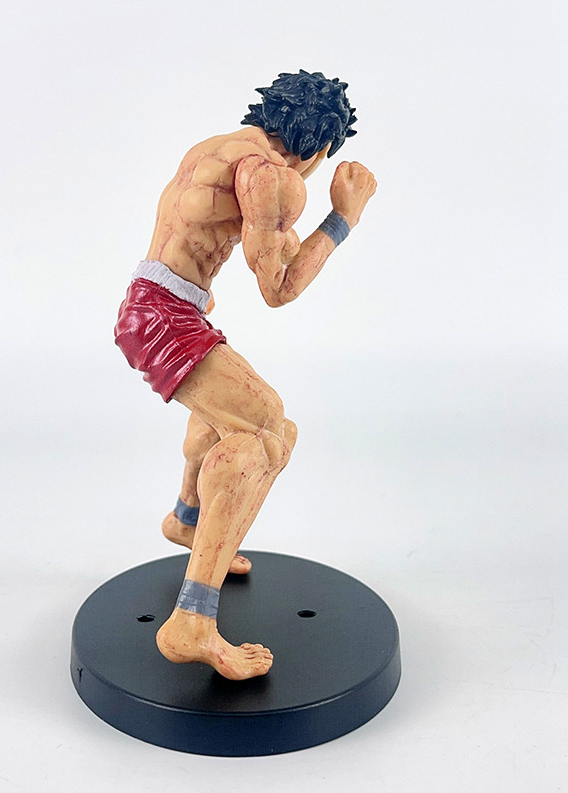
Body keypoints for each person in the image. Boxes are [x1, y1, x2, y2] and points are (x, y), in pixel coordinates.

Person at [114, 71, 377, 680]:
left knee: (230, 413)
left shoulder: (218, 147)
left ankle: (187, 518)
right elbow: (279, 289)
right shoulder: (273, 177)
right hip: (165, 318)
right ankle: (191, 622)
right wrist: (342, 219)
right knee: (267, 433)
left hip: (154, 306)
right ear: (318, 148)